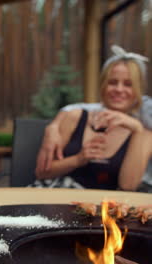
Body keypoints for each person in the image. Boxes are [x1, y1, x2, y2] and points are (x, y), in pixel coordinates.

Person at [33, 45, 152, 190]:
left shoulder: (143, 132)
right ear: (103, 85)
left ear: (138, 90)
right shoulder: (75, 117)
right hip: (56, 195)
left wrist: (137, 129)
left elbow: (127, 186)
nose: (119, 89)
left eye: (128, 84)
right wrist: (78, 159)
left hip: (103, 207)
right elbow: (41, 172)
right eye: (112, 82)